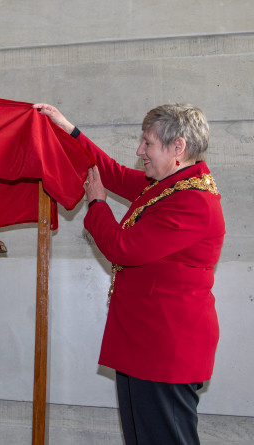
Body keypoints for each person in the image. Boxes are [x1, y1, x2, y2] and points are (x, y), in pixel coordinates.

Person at [33, 102, 225, 444]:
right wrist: (68, 130)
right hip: (144, 342)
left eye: (148, 143)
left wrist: (97, 204)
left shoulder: (193, 201)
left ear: (178, 147)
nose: (140, 151)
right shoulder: (170, 185)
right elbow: (114, 173)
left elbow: (123, 248)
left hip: (166, 349)